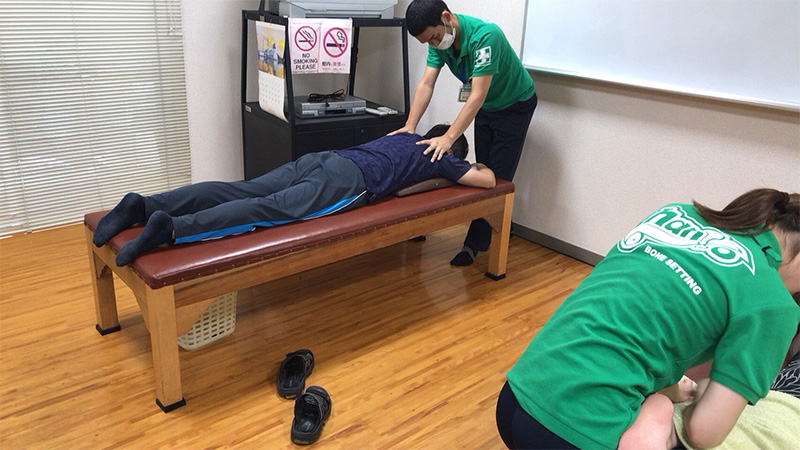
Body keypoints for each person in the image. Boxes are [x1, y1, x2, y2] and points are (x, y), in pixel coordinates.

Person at [496, 188, 800, 449]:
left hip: (514, 397)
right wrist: (704, 393)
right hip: (574, 433)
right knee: (660, 406)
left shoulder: (675, 215)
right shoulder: (775, 303)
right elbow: (704, 433)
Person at [92, 125, 495, 266]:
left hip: (323, 158)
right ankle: (172, 229)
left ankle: (143, 205)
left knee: (244, 188)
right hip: (346, 182)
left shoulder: (406, 135)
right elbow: (489, 181)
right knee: (263, 211)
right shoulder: (442, 157)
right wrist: (455, 161)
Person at [391, 0, 537, 267]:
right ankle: (505, 226)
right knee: (483, 169)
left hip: (515, 107)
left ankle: (474, 245)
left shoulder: (485, 36)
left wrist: (448, 138)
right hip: (488, 106)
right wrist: (410, 125)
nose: (434, 44)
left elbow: (477, 95)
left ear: (446, 17)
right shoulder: (439, 42)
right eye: (428, 42)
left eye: (434, 37)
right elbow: (427, 83)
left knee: (497, 177)